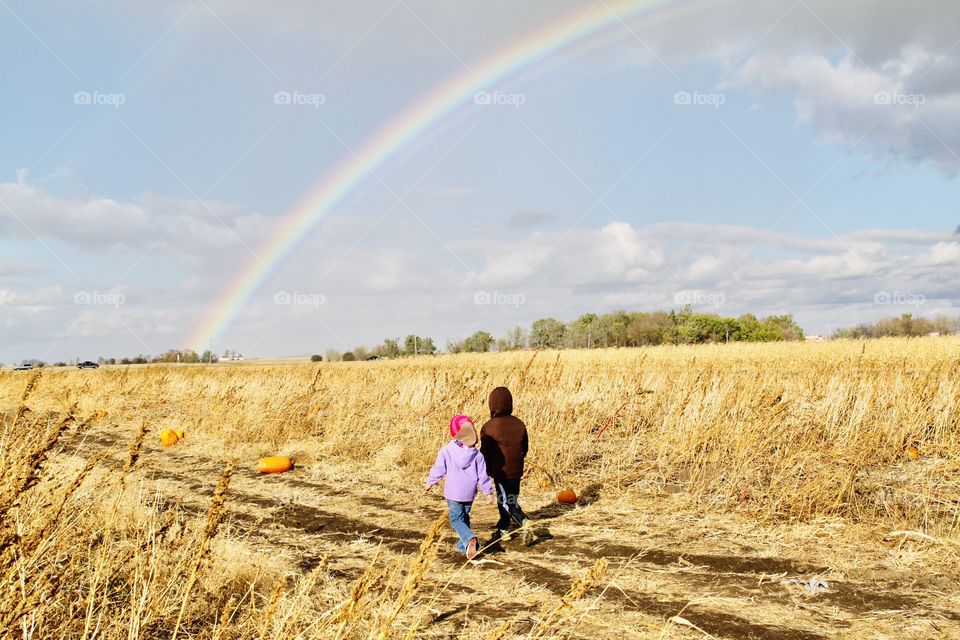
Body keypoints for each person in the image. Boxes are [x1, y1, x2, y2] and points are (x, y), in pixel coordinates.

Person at [424, 415, 494, 559]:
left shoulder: (447, 451)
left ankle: (469, 539)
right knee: (464, 517)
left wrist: (431, 481)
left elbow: (439, 468)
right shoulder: (478, 456)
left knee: (456, 520)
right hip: (469, 493)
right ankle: (463, 546)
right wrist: (488, 492)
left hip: (453, 493)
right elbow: (483, 476)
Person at [479, 387, 529, 539]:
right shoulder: (519, 424)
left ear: (491, 404)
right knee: (511, 497)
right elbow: (525, 447)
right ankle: (504, 527)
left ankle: (524, 521)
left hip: (501, 472)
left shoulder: (488, 427)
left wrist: (484, 471)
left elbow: (485, 453)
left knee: (506, 501)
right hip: (517, 469)